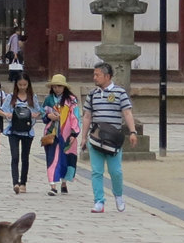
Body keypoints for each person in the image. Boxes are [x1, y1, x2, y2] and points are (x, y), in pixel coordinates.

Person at [78, 63, 138, 214]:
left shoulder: (119, 93)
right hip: (96, 137)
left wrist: (133, 132)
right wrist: (83, 137)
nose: (95, 78)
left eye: (97, 75)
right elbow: (87, 116)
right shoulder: (92, 94)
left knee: (115, 171)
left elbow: (127, 113)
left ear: (107, 76)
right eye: (94, 75)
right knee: (96, 171)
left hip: (113, 139)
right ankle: (99, 201)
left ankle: (118, 195)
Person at [42, 75, 79, 196]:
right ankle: (52, 185)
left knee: (66, 159)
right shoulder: (48, 100)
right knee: (52, 158)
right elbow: (43, 114)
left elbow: (75, 116)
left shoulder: (72, 100)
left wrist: (74, 132)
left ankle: (64, 182)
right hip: (51, 133)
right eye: (54, 86)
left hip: (67, 133)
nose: (57, 88)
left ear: (64, 87)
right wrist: (49, 116)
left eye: (59, 86)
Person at [6, 73, 37, 194]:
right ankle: (15, 182)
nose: (22, 87)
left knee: (25, 157)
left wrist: (34, 115)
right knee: (15, 157)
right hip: (14, 130)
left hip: (27, 131)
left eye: (25, 84)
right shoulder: (11, 97)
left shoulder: (32, 97)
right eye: (20, 85)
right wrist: (8, 115)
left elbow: (38, 111)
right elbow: (3, 110)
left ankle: (23, 182)